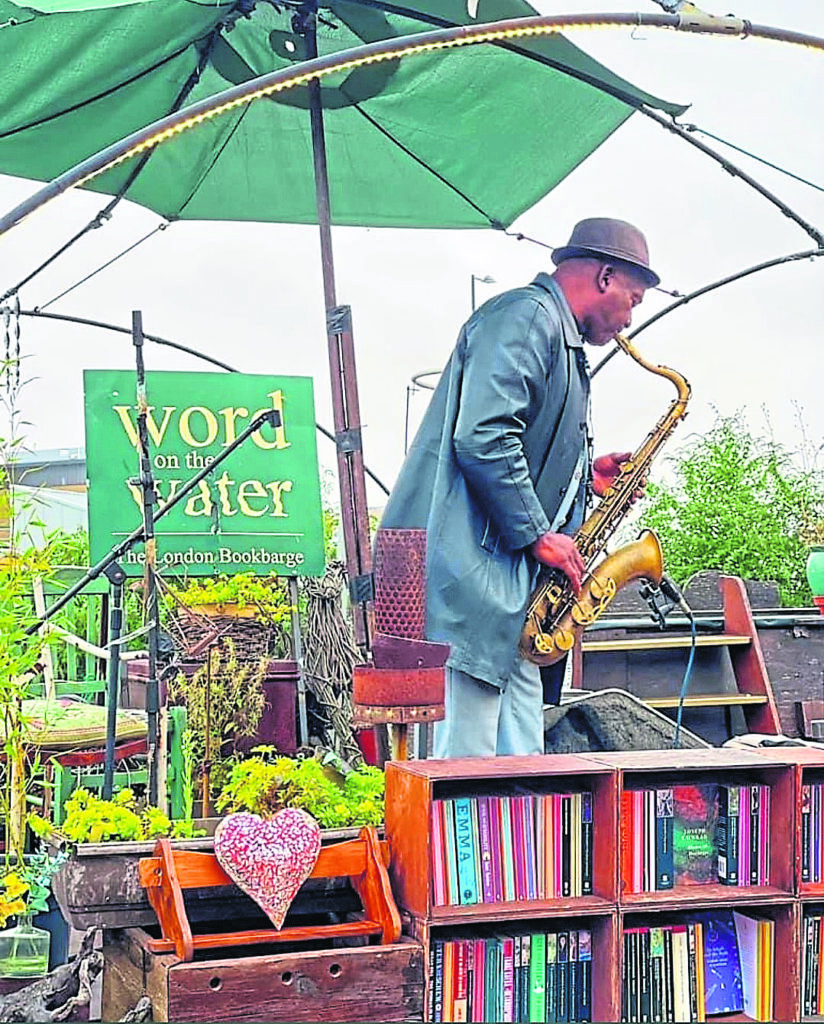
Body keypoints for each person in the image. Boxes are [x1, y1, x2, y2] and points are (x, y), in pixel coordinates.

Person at [378, 217, 660, 758]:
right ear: (604, 276)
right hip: (477, 585)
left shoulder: (552, 331)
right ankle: (462, 849)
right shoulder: (527, 318)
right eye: (634, 298)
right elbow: (483, 435)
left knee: (521, 759)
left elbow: (514, 437)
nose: (631, 316)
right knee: (469, 761)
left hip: (508, 592)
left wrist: (584, 473)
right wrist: (538, 534)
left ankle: (513, 847)